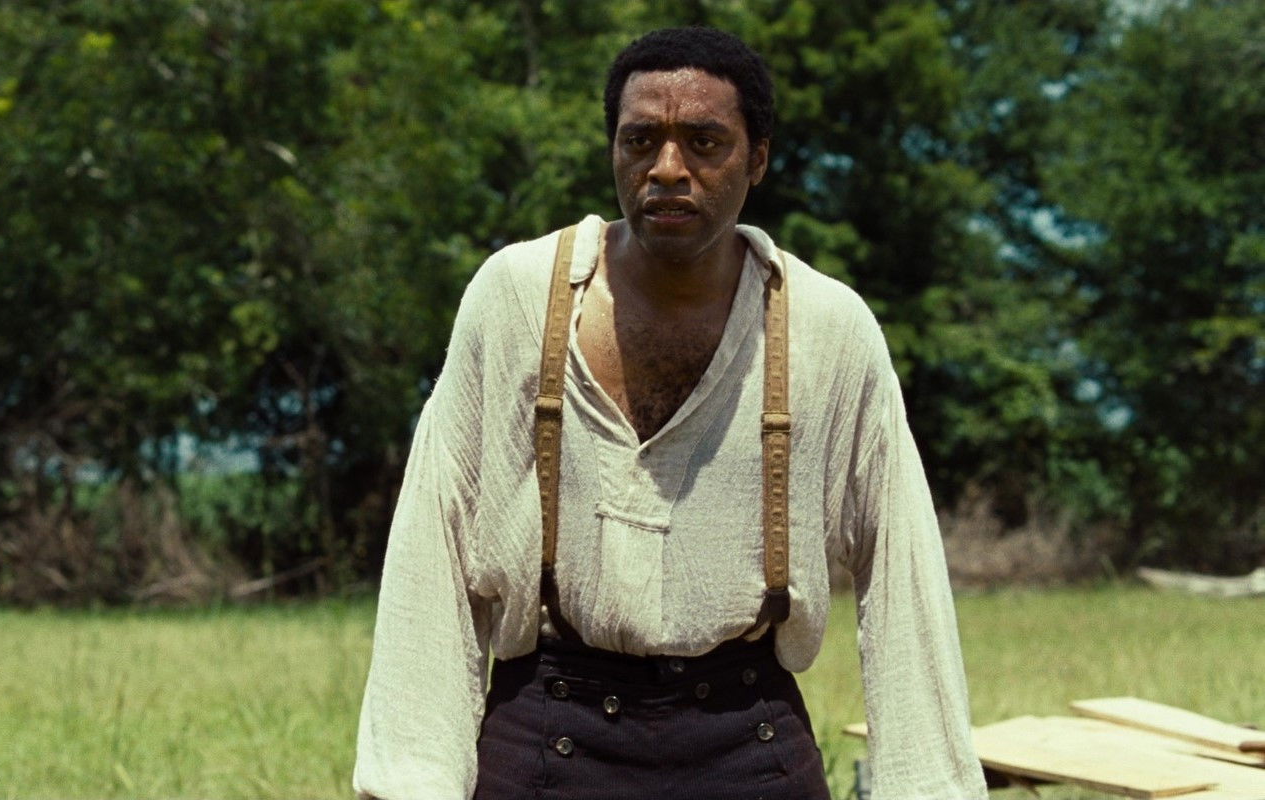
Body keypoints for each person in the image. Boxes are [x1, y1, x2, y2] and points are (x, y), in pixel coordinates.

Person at [353, 26, 987, 800]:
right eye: (641, 140)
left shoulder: (828, 328)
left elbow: (901, 565)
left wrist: (927, 788)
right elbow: (436, 542)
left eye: (704, 142)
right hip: (544, 733)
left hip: (750, 743)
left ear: (757, 158)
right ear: (613, 151)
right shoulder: (515, 296)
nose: (667, 168)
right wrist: (413, 781)